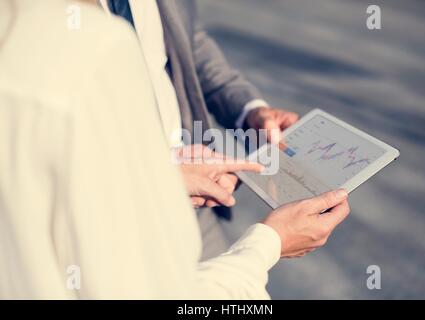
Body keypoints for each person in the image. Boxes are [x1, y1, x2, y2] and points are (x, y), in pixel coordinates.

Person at [0, 0, 350, 299]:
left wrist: (249, 110)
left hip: (197, 193)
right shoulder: (89, 55)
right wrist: (269, 244)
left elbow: (188, 43)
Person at [98, 0, 301, 259]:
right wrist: (161, 175)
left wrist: (249, 109)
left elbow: (189, 43)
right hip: (113, 219)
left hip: (197, 210)